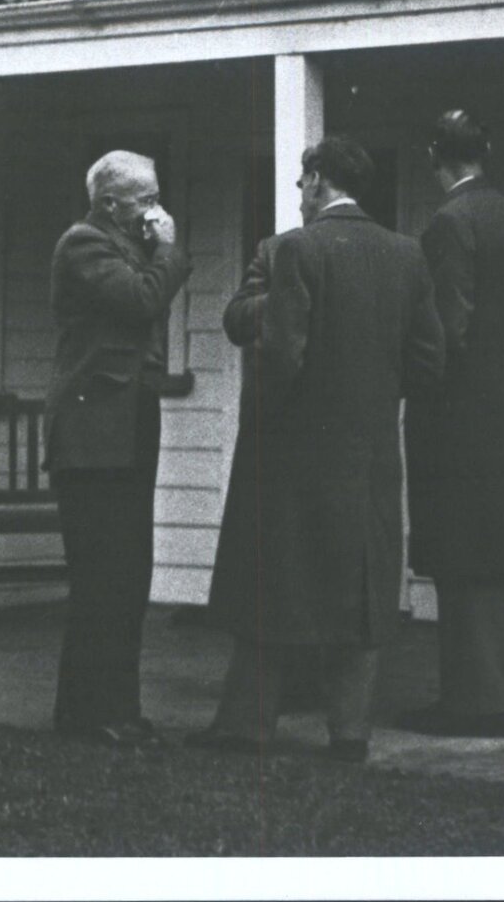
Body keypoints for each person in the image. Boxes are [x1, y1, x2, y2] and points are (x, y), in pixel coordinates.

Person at [194, 136, 443, 763]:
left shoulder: (292, 250)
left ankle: (247, 727)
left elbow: (282, 355)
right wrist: (375, 401)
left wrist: (275, 418)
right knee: (361, 593)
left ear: (316, 182)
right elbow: (429, 359)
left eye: (302, 184)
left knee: (271, 587)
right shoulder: (407, 255)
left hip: (291, 449)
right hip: (369, 452)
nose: (299, 194)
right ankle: (349, 734)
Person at [398, 110, 504, 738]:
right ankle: (488, 692)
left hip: (458, 418)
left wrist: (417, 380)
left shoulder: (449, 222)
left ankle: (476, 703)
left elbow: (446, 330)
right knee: (496, 561)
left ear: (437, 157)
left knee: (464, 557)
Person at [46, 150, 189, 747]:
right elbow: (139, 300)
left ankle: (117, 709)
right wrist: (170, 250)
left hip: (125, 422)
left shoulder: (125, 244)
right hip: (91, 432)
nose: (155, 208)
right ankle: (87, 713)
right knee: (103, 575)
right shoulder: (83, 244)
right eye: (144, 198)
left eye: (156, 195)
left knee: (128, 574)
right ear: (109, 202)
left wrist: (162, 253)